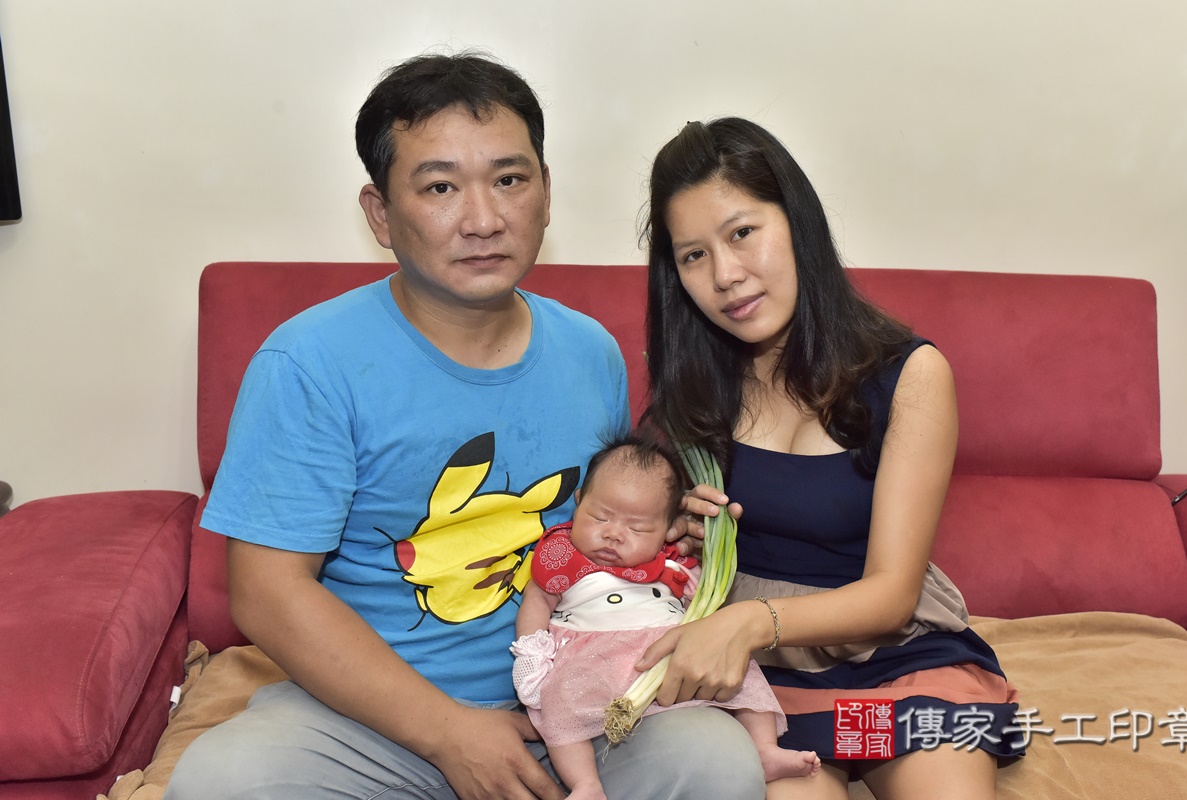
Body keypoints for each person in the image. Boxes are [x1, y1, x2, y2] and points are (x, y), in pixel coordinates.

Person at [164, 54, 765, 800]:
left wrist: (669, 534)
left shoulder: (590, 353)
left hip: (576, 692)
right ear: (380, 213)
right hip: (372, 717)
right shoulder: (309, 361)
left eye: (509, 180)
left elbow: (595, 530)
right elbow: (266, 594)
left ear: (546, 193)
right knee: (223, 782)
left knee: (714, 762)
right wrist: (447, 732)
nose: (483, 220)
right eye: (440, 187)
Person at [636, 117, 1026, 800]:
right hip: (761, 679)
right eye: (693, 255)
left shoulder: (909, 375)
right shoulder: (693, 386)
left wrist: (750, 621)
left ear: (798, 224)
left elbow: (892, 596)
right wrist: (681, 532)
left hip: (895, 661)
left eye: (742, 232)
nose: (725, 275)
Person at [512, 434, 821, 800]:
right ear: (578, 502)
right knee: (560, 703)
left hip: (670, 653)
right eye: (600, 516)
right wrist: (532, 653)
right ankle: (586, 784)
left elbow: (701, 600)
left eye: (638, 528)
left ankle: (765, 748)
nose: (613, 534)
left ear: (668, 530)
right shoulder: (562, 556)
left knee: (743, 671)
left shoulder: (671, 562)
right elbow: (537, 600)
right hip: (591, 659)